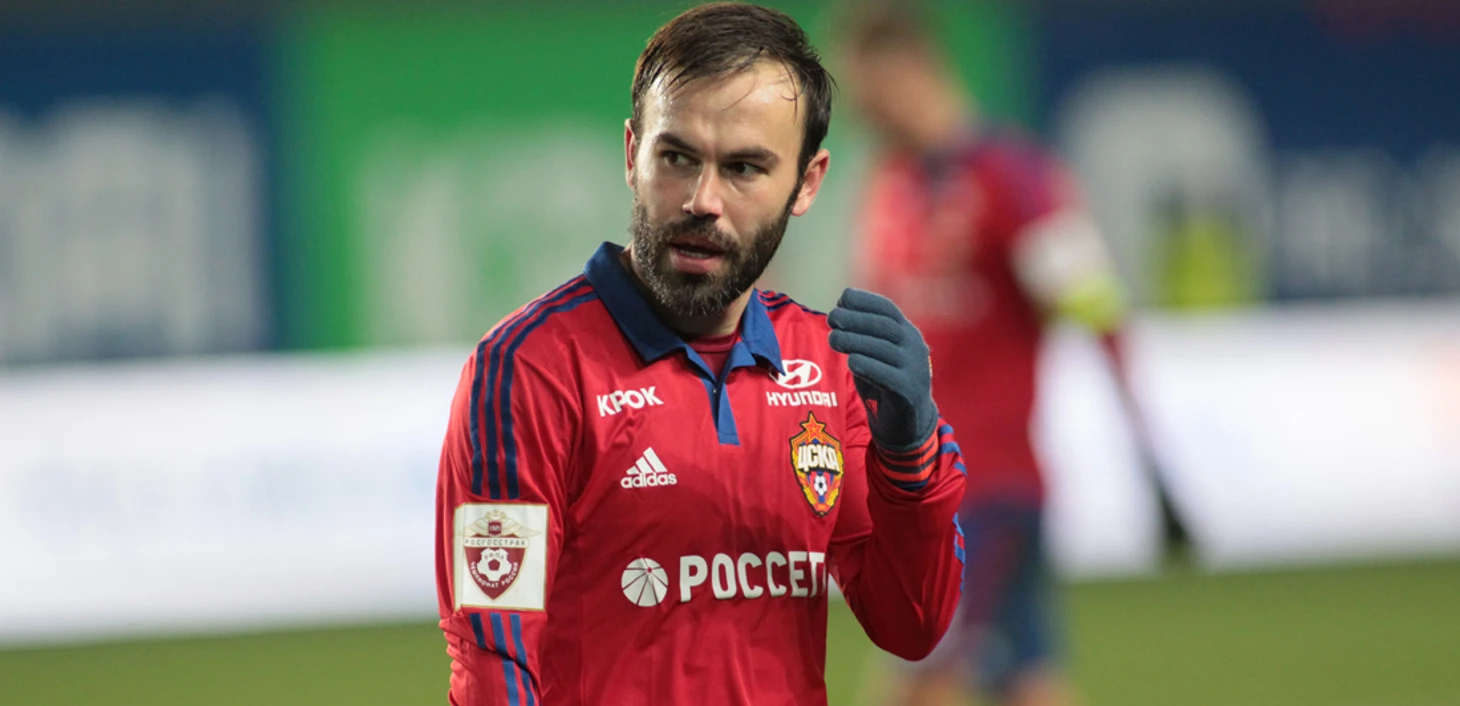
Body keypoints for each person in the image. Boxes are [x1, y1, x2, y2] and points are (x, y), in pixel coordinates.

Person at [434, 4, 969, 704]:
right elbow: (492, 657)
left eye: (744, 167)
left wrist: (911, 458)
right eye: (677, 157)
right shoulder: (530, 370)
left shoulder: (830, 369)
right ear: (632, 154)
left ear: (807, 183)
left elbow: (913, 626)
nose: (702, 200)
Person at [834, 2, 1185, 706]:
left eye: (866, 93)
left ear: (908, 69)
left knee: (919, 680)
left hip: (982, 485)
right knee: (1027, 682)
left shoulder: (1014, 179)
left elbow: (1098, 312)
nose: (859, 114)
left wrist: (1151, 462)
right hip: (919, 482)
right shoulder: (890, 183)